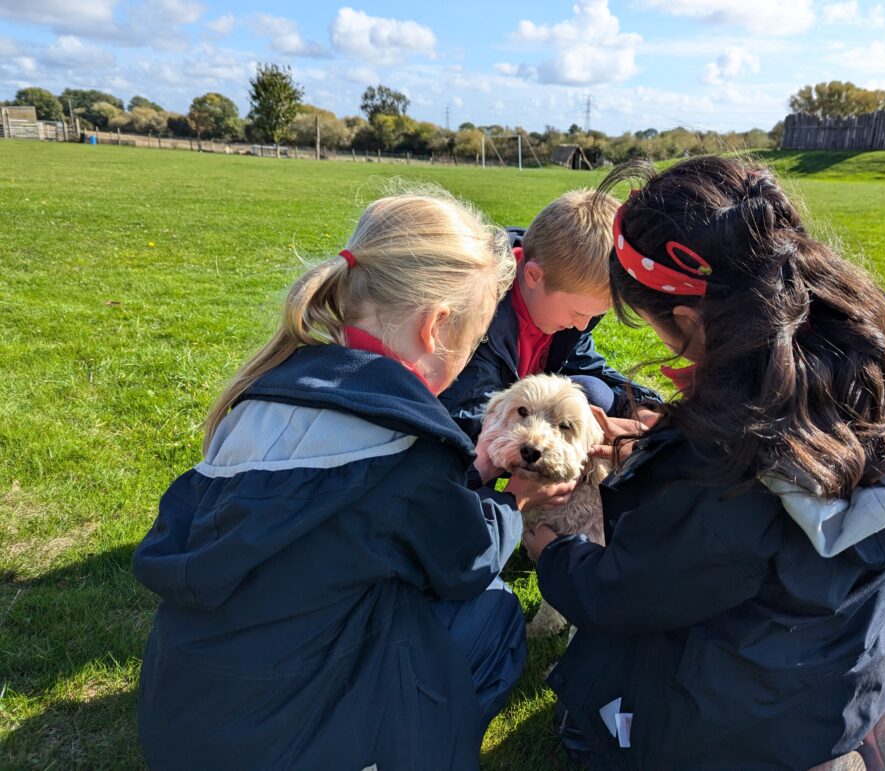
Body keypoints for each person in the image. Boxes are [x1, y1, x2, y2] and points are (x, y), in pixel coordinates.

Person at [522, 156, 885, 769]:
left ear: (692, 320)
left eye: (661, 333)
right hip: (853, 656)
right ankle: (868, 725)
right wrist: (673, 429)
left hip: (740, 718)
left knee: (583, 720)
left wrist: (553, 555)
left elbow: (628, 591)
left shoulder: (723, 465)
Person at [132, 190, 568, 770]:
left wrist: (476, 469)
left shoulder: (262, 393)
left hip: (182, 726)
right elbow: (464, 562)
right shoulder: (406, 444)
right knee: (493, 612)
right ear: (437, 327)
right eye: (475, 339)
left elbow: (357, 509)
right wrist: (513, 502)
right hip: (287, 750)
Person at [439, 189, 661, 464]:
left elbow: (586, 365)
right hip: (479, 432)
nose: (582, 325)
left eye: (593, 317)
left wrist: (641, 408)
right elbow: (466, 420)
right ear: (533, 276)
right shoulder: (481, 319)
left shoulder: (554, 307)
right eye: (579, 312)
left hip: (529, 422)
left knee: (595, 392)